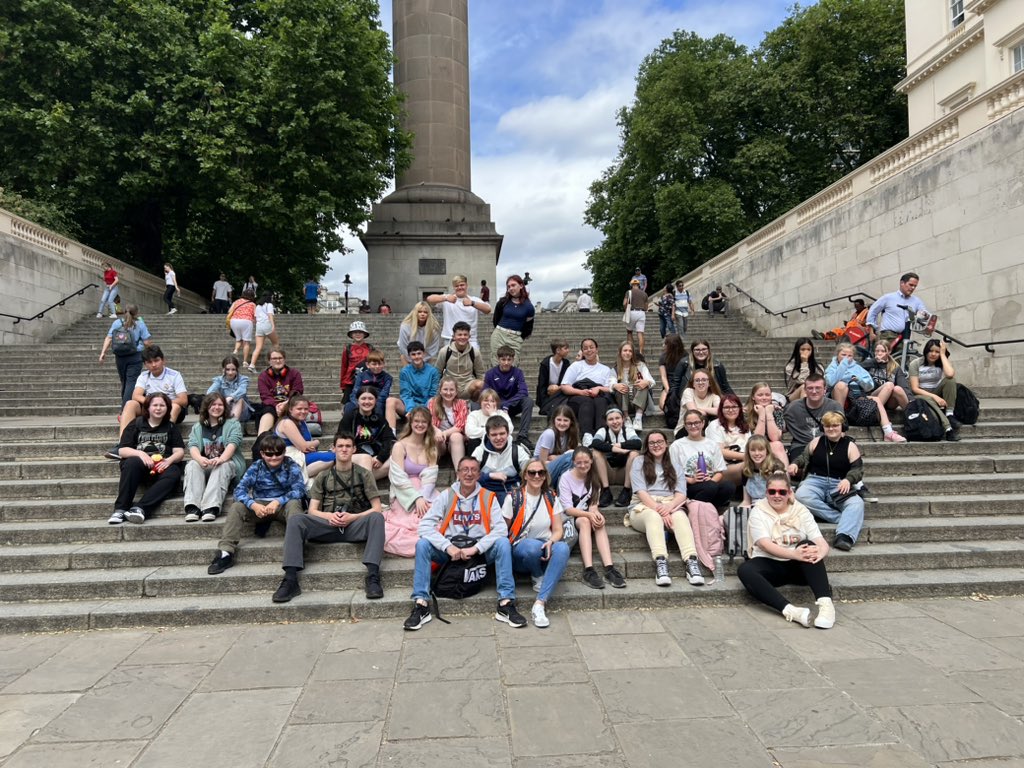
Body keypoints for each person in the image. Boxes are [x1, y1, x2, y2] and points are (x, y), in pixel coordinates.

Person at [403, 456, 527, 631]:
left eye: (473, 470)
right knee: (422, 544)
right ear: (458, 473)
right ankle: (421, 604)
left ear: (479, 474)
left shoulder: (488, 497)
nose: (469, 474)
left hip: (478, 551)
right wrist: (448, 546)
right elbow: (424, 526)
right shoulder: (446, 495)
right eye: (465, 470)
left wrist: (476, 548)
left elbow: (500, 529)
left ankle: (506, 603)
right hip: (450, 550)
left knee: (503, 543)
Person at [273, 433, 387, 603]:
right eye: (340, 446)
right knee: (297, 519)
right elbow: (312, 510)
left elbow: (376, 507)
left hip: (353, 524)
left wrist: (353, 517)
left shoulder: (364, 474)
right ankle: (290, 580)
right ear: (333, 449)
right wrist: (330, 516)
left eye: (348, 446)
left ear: (354, 449)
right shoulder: (323, 476)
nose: (344, 449)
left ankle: (372, 576)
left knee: (377, 518)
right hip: (328, 525)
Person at [737, 472, 835, 629]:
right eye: (772, 491)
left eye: (782, 492)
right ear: (766, 493)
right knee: (745, 570)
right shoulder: (758, 511)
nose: (777, 496)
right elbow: (764, 544)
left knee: (809, 544)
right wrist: (793, 554)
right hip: (771, 565)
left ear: (789, 492)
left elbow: (820, 541)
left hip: (799, 566)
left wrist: (820, 553)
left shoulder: (800, 510)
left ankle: (826, 604)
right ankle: (791, 611)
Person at [207, 434, 307, 574]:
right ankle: (225, 553)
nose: (274, 457)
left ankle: (297, 550)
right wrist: (252, 504)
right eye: (269, 454)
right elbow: (239, 490)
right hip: (260, 506)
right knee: (237, 507)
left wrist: (278, 501)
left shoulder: (291, 465)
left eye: (278, 453)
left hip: (283, 505)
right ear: (262, 454)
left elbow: (299, 489)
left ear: (284, 452)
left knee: (295, 504)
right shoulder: (257, 466)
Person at [627, 430, 704, 587]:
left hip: (670, 504)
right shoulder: (639, 461)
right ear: (647, 446)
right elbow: (641, 492)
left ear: (666, 443)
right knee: (653, 517)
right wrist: (659, 510)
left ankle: (691, 562)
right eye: (652, 443)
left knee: (681, 518)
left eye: (660, 441)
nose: (656, 445)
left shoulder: (675, 464)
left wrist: (668, 507)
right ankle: (661, 562)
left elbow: (681, 493)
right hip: (642, 507)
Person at [503, 460, 570, 628]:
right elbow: (504, 530)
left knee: (562, 547)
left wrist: (551, 542)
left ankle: (540, 603)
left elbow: (558, 530)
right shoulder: (514, 497)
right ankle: (537, 573)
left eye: (541, 472)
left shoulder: (550, 496)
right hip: (522, 549)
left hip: (544, 545)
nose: (537, 476)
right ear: (525, 475)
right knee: (531, 547)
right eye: (532, 472)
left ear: (545, 476)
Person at [788, 410, 866, 551]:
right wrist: (794, 464)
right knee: (800, 495)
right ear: (822, 427)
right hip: (814, 480)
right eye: (827, 426)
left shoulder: (850, 446)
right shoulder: (816, 442)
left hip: (839, 483)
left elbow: (857, 470)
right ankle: (841, 519)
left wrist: (848, 480)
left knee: (856, 504)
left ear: (842, 427)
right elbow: (803, 458)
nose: (831, 429)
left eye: (835, 425)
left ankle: (844, 536)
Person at [108, 393, 186, 524]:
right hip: (139, 466)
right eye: (155, 405)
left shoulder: (170, 427)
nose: (158, 408)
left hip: (162, 466)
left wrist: (169, 460)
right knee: (131, 462)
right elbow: (122, 450)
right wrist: (141, 454)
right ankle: (120, 509)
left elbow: (179, 451)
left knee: (174, 473)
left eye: (162, 405)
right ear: (148, 408)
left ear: (167, 408)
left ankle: (140, 508)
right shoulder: (136, 424)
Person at [559, 447, 626, 589]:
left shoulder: (594, 478)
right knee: (585, 521)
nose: (583, 465)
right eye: (579, 462)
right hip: (570, 517)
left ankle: (609, 568)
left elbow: (593, 505)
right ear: (573, 462)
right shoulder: (566, 478)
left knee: (598, 522)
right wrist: (589, 515)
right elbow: (568, 509)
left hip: (586, 513)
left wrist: (596, 514)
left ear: (591, 462)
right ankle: (588, 570)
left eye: (586, 462)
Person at [108, 345, 188, 458]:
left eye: (156, 360)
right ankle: (123, 445)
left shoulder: (174, 375)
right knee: (130, 404)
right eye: (149, 362)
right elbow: (136, 395)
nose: (154, 365)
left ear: (163, 360)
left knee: (176, 406)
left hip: (171, 409)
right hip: (150, 410)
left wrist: (163, 404)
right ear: (145, 364)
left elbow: (183, 400)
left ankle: (162, 441)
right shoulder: (144, 376)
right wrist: (152, 403)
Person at [825, 342, 907, 443]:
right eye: (843, 355)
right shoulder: (832, 367)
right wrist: (843, 366)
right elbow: (830, 382)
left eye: (850, 355)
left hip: (856, 397)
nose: (847, 358)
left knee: (876, 399)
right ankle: (841, 423)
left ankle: (888, 432)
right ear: (837, 355)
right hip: (839, 399)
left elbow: (870, 386)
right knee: (841, 385)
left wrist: (858, 379)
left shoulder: (857, 367)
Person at [384, 406, 439, 556]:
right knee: (413, 523)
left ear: (428, 425)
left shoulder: (431, 447)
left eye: (424, 422)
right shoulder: (399, 446)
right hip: (404, 494)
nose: (420, 424)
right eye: (417, 421)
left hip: (426, 491)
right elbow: (398, 478)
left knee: (435, 517)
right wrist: (416, 498)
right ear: (411, 422)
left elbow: (430, 476)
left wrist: (423, 497)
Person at [183, 392, 245, 522]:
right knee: (192, 464)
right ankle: (192, 507)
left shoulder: (233, 424)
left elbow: (233, 444)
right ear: (206, 407)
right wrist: (200, 459)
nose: (217, 407)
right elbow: (193, 446)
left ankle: (210, 508)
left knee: (222, 464)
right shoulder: (198, 427)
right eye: (213, 404)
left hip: (227, 465)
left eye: (220, 404)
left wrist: (221, 459)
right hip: (206, 465)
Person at [670, 409, 736, 508]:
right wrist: (691, 480)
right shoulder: (677, 445)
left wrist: (712, 480)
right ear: (685, 425)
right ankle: (693, 508)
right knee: (710, 487)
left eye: (696, 422)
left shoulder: (712, 444)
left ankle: (709, 509)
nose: (693, 426)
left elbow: (719, 472)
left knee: (729, 487)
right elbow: (672, 473)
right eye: (689, 423)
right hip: (688, 484)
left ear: (703, 423)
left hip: (708, 481)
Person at [665, 339, 733, 432]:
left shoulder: (717, 365)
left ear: (709, 350)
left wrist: (735, 403)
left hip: (709, 400)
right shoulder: (684, 363)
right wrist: (674, 404)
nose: (701, 352)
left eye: (704, 349)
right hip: (688, 401)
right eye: (697, 350)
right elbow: (675, 385)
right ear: (692, 351)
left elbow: (725, 386)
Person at [559, 338, 615, 440]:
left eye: (591, 347)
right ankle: (586, 435)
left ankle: (600, 435)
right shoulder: (575, 366)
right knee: (587, 402)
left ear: (597, 349)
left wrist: (598, 388)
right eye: (585, 348)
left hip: (598, 394)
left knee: (601, 401)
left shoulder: (605, 369)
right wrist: (580, 392)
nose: (589, 350)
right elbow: (564, 386)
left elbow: (610, 388)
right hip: (578, 395)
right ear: (582, 352)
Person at [274, 395, 336, 484]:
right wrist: (317, 442)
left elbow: (307, 445)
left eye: (306, 409)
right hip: (291, 456)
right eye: (299, 409)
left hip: (303, 454)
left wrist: (309, 444)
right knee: (333, 457)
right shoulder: (286, 422)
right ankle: (300, 477)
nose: (303, 411)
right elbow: (304, 447)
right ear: (291, 409)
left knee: (335, 457)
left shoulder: (301, 422)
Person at [339, 386, 396, 480]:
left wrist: (380, 457)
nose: (367, 402)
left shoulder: (380, 419)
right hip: (354, 456)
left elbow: (389, 439)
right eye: (363, 398)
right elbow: (343, 441)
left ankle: (360, 480)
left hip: (375, 458)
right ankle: (365, 480)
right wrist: (368, 457)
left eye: (370, 398)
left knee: (396, 458)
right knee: (365, 459)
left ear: (375, 401)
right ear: (358, 400)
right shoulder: (349, 417)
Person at [909, 338, 961, 440]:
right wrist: (935, 397)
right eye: (931, 351)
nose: (933, 354)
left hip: (936, 391)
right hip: (921, 395)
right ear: (926, 351)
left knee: (950, 380)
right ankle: (948, 428)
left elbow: (950, 374)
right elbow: (915, 388)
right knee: (928, 399)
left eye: (937, 352)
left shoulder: (941, 362)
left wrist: (942, 355)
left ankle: (950, 413)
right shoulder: (915, 363)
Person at [98, 304, 151, 406]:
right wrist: (151, 351)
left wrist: (103, 353)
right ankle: (125, 410)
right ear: (136, 313)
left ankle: (125, 407)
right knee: (131, 382)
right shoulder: (140, 324)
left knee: (125, 382)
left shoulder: (117, 322)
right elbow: (146, 342)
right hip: (135, 356)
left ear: (124, 312)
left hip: (120, 356)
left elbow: (109, 338)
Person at [782, 373, 843, 461]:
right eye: (810, 388)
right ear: (805, 390)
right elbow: (782, 428)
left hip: (828, 443)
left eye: (818, 388)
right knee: (798, 467)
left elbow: (842, 431)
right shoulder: (792, 408)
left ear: (825, 389)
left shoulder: (834, 407)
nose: (814, 391)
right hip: (801, 445)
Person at [473, 415, 532, 504]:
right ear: (488, 436)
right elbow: (470, 476)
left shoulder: (517, 451)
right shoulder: (479, 451)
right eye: (494, 435)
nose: (498, 438)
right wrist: (490, 475)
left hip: (512, 492)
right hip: (486, 491)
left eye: (502, 433)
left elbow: (530, 472)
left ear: (508, 433)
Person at [484, 346, 535, 447]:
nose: (506, 362)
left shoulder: (518, 372)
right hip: (496, 407)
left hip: (513, 405)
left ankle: (522, 436)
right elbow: (485, 393)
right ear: (498, 359)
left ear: (513, 359)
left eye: (509, 359)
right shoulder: (490, 374)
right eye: (503, 359)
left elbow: (523, 392)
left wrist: (508, 404)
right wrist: (499, 404)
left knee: (528, 401)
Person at [590, 407, 641, 508]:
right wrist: (614, 449)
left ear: (622, 419)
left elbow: (638, 443)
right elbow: (595, 443)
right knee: (596, 453)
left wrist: (620, 445)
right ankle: (606, 490)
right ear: (606, 422)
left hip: (624, 473)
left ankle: (626, 491)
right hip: (607, 473)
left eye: (617, 418)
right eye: (611, 419)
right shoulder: (603, 431)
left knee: (634, 454)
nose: (615, 422)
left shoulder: (628, 430)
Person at [386, 341, 440, 429]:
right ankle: (390, 434)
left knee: (436, 400)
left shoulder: (433, 371)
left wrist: (421, 411)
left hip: (427, 406)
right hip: (409, 407)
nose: (416, 357)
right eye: (413, 354)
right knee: (390, 401)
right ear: (409, 356)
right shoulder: (405, 372)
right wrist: (412, 410)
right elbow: (405, 394)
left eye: (419, 353)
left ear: (424, 354)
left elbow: (433, 394)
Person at [427, 274, 491, 347]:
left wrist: (472, 303)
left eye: (462, 285)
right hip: (450, 339)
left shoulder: (474, 299)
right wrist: (446, 298)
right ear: (454, 287)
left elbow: (488, 309)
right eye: (457, 286)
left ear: (466, 285)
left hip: (470, 340)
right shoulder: (447, 298)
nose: (459, 287)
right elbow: (429, 299)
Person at [866, 272, 926, 349]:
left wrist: (925, 315)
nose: (913, 288)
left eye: (915, 286)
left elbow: (924, 312)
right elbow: (872, 311)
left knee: (903, 359)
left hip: (905, 336)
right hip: (888, 335)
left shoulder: (916, 301)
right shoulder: (888, 298)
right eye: (911, 285)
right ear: (902, 283)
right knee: (886, 359)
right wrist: (872, 332)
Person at [255, 349, 304, 435]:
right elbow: (265, 396)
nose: (278, 361)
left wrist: (286, 404)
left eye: (280, 358)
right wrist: (277, 406)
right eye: (274, 358)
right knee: (268, 411)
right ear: (269, 361)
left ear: (284, 359)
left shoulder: (294, 373)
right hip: (271, 407)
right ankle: (261, 442)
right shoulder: (263, 376)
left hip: (290, 404)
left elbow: (298, 391)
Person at [705, 394, 750, 487]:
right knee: (750, 465)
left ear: (739, 409)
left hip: (744, 462)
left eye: (734, 406)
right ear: (721, 409)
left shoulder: (744, 426)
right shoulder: (715, 426)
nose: (731, 410)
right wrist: (745, 457)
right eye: (727, 407)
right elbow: (719, 451)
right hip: (723, 469)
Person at [490, 275, 535, 366]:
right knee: (496, 364)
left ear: (521, 286)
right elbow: (496, 319)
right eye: (508, 286)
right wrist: (499, 331)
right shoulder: (502, 302)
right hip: (499, 335)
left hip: (515, 338)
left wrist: (519, 338)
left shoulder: (529, 307)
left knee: (513, 365)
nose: (510, 288)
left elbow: (528, 327)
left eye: (513, 285)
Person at [610, 340, 655, 431]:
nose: (628, 353)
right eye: (625, 350)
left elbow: (652, 381)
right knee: (622, 386)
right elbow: (611, 383)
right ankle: (626, 418)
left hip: (639, 403)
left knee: (642, 384)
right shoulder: (615, 369)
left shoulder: (640, 366)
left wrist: (646, 382)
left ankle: (638, 418)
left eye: (630, 351)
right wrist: (615, 385)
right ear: (620, 352)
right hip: (624, 402)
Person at [534, 404, 582, 489]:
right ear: (554, 420)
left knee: (574, 459)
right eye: (559, 420)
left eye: (566, 420)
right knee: (570, 456)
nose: (562, 423)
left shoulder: (571, 434)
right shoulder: (549, 434)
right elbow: (542, 461)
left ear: (571, 422)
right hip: (541, 470)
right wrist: (562, 459)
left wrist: (557, 458)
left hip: (559, 468)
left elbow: (580, 454)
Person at [745, 381, 790, 467]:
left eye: (767, 394)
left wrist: (769, 413)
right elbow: (757, 440)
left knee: (777, 445)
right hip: (753, 448)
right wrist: (761, 414)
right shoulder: (746, 413)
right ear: (753, 397)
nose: (764, 397)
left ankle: (784, 477)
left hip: (772, 446)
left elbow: (775, 437)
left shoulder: (777, 411)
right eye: (760, 395)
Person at [435, 321, 484, 401]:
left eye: (465, 335)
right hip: (450, 385)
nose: (462, 337)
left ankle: (475, 407)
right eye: (459, 335)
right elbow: (437, 372)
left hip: (467, 385)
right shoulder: (445, 351)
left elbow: (480, 373)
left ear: (469, 336)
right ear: (454, 336)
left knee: (480, 384)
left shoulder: (475, 352)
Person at [430, 376, 469, 471]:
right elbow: (429, 422)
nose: (448, 393)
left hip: (456, 441)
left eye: (452, 390)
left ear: (456, 392)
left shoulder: (462, 403)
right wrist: (438, 432)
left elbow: (460, 425)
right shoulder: (433, 402)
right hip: (439, 441)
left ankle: (459, 473)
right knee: (434, 437)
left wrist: (444, 433)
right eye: (445, 389)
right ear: (440, 390)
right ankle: (429, 471)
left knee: (456, 436)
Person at [862, 341, 912, 413]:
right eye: (877, 351)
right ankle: (873, 413)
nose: (879, 353)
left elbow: (904, 386)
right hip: (872, 396)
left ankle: (912, 414)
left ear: (889, 351)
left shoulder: (895, 367)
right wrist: (874, 362)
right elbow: (857, 367)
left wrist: (911, 400)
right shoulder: (870, 363)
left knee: (897, 389)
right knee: (889, 384)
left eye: (883, 351)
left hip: (889, 401)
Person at [344, 350, 393, 418]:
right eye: (374, 364)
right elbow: (355, 391)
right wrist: (357, 402)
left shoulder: (387, 378)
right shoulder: (361, 376)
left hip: (378, 401)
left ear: (384, 364)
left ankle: (376, 426)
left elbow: (384, 394)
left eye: (380, 364)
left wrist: (373, 402)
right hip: (362, 398)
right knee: (349, 406)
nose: (377, 366)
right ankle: (349, 426)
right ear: (368, 365)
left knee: (379, 407)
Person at [465, 388, 512, 455]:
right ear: (480, 402)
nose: (489, 403)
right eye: (486, 400)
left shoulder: (502, 414)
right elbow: (469, 431)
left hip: (498, 444)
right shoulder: (474, 414)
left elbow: (509, 429)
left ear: (496, 403)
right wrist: (491, 431)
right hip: (479, 445)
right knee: (473, 441)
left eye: (492, 401)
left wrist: (493, 414)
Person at [741, 435, 785, 506]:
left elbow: (781, 498)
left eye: (760, 450)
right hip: (754, 506)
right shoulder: (746, 470)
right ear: (748, 452)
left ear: (767, 451)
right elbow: (746, 501)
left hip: (774, 505)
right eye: (753, 450)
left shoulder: (776, 468)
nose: (757, 453)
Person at [339, 320, 374, 404]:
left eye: (360, 332)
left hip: (366, 380)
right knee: (348, 405)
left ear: (365, 334)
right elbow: (344, 366)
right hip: (351, 380)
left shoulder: (370, 348)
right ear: (351, 335)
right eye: (355, 332)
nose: (358, 334)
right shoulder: (347, 348)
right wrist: (343, 384)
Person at [536, 338, 571, 415]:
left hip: (560, 393)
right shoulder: (545, 364)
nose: (568, 350)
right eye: (565, 348)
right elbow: (541, 385)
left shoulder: (566, 363)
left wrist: (557, 388)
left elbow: (567, 382)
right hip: (547, 394)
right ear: (558, 350)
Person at [784, 338, 825, 402]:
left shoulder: (818, 367)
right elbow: (803, 381)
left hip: (814, 392)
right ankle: (804, 411)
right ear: (797, 350)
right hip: (794, 395)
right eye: (802, 349)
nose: (806, 352)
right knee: (804, 387)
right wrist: (804, 363)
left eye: (808, 350)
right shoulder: (790, 366)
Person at [249, 290, 279, 373]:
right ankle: (274, 362)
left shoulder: (258, 306)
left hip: (259, 326)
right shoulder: (269, 305)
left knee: (258, 347)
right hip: (267, 325)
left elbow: (255, 318)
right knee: (275, 343)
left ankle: (252, 365)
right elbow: (270, 315)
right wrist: (273, 326)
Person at [657, 334, 686, 420]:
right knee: (662, 404)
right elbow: (663, 376)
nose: (663, 346)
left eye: (665, 344)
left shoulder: (685, 355)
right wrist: (668, 390)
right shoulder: (663, 356)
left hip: (682, 383)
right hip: (669, 384)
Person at [227, 289, 256, 363]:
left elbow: (230, 311)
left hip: (234, 321)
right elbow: (255, 315)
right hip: (246, 321)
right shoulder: (252, 304)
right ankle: (245, 361)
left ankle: (235, 351)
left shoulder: (237, 301)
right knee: (246, 342)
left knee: (238, 339)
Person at [622, 278, 648, 354]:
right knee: (640, 333)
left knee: (629, 332)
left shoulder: (629, 292)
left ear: (631, 285)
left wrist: (626, 310)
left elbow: (624, 303)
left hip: (631, 312)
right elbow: (646, 306)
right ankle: (640, 351)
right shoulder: (644, 294)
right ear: (639, 285)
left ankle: (631, 350)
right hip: (641, 313)